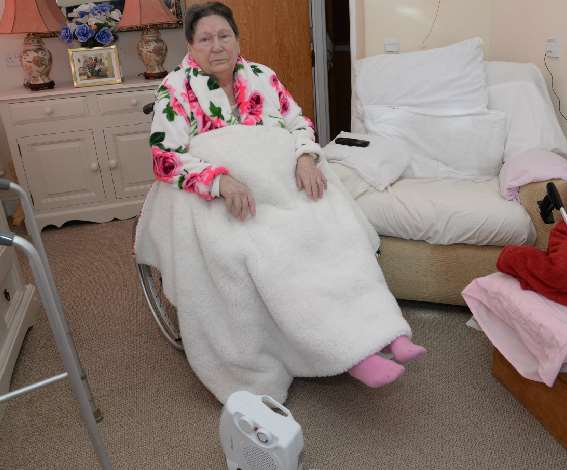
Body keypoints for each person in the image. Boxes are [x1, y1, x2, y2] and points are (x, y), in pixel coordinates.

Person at [149, 1, 425, 389]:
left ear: (237, 39)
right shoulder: (175, 90)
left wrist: (305, 157)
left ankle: (383, 330)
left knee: (334, 229)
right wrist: (219, 181)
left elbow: (299, 123)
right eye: (205, 39)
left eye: (224, 36)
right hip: (229, 196)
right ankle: (348, 352)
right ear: (191, 47)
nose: (217, 47)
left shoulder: (262, 76)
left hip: (280, 183)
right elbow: (164, 157)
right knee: (277, 252)